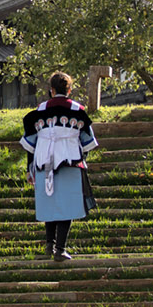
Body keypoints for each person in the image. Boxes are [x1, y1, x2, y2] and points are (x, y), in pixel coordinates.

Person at [20, 71, 98, 260]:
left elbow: (30, 145)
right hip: (70, 162)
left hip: (43, 163)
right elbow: (88, 142)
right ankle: (60, 249)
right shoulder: (78, 111)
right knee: (67, 206)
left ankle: (50, 245)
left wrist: (30, 169)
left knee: (50, 203)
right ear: (69, 90)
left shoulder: (38, 111)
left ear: (51, 90)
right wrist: (81, 157)